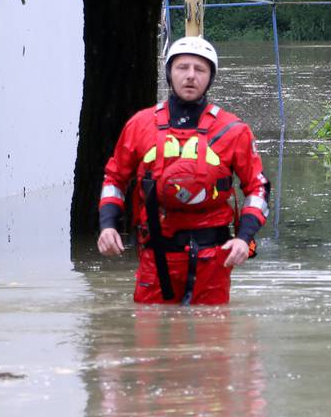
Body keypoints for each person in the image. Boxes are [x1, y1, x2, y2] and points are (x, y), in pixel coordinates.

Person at [96, 36, 270, 305]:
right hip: (156, 257)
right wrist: (108, 226)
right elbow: (115, 178)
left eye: (199, 69)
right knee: (148, 344)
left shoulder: (234, 130)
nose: (190, 76)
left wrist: (244, 239)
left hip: (214, 259)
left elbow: (257, 188)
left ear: (210, 77)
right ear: (169, 73)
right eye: (182, 67)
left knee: (214, 341)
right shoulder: (140, 125)